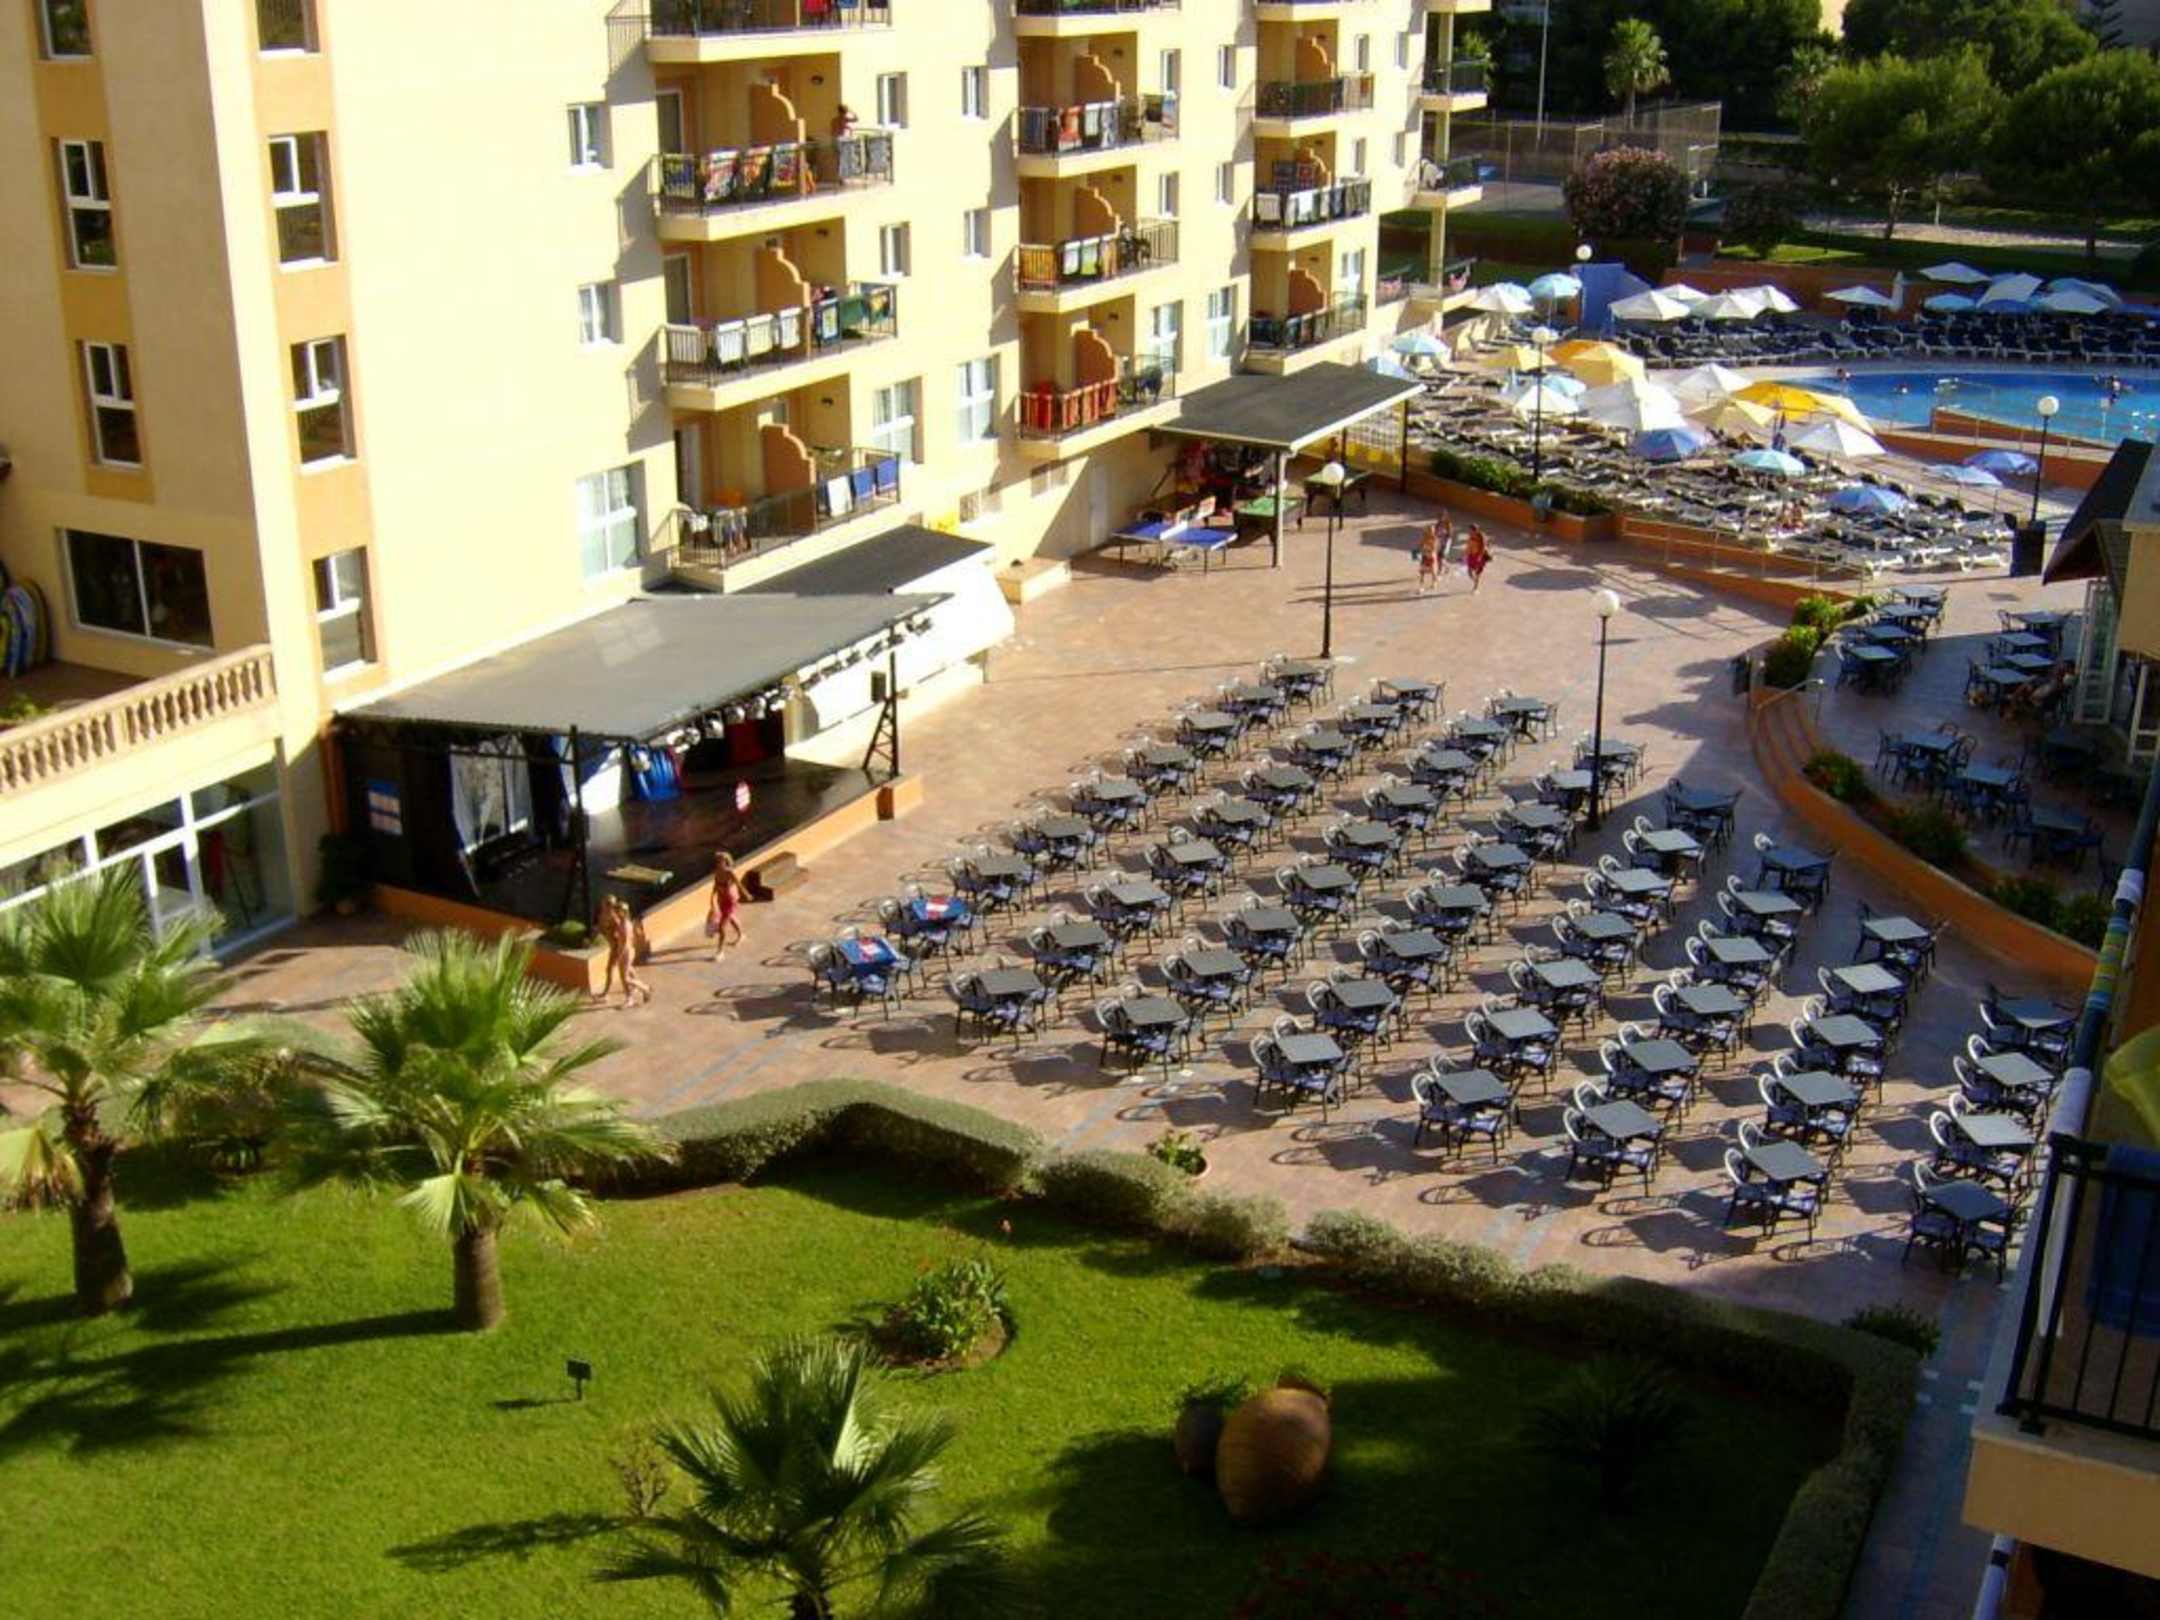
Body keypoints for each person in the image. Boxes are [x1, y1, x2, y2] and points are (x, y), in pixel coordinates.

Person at [597, 895, 651, 1010]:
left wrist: (620, 955)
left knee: (625, 977)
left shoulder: (623, 924)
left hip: (624, 952)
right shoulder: (621, 922)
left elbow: (625, 942)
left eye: (617, 910)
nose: (615, 911)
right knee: (625, 976)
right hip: (623, 951)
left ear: (623, 912)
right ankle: (632, 996)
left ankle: (643, 989)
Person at [708, 850, 745, 963]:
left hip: (731, 901)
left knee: (722, 927)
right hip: (722, 901)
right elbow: (715, 885)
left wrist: (747, 894)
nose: (718, 863)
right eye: (717, 861)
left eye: (720, 861)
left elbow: (739, 884)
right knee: (731, 918)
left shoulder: (730, 873)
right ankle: (741, 935)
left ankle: (720, 952)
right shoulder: (716, 872)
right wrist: (712, 898)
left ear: (726, 862)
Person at [1416, 519, 1441, 595]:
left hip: (1431, 557)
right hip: (1425, 556)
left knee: (1433, 571)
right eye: (1429, 530)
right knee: (1422, 572)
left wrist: (1427, 550)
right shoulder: (1424, 538)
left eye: (1432, 530)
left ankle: (1434, 581)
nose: (1431, 531)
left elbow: (1434, 548)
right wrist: (1418, 551)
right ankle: (1421, 587)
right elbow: (1420, 545)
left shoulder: (1435, 539)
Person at [1463, 526, 1491, 593]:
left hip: (1479, 557)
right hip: (1471, 556)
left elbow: (1483, 548)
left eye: (1471, 531)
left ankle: (1476, 588)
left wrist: (1480, 557)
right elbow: (1468, 547)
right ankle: (1475, 582)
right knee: (1469, 572)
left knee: (1477, 573)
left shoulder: (1481, 537)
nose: (1470, 532)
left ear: (1476, 531)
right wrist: (1465, 555)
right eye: (1469, 530)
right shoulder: (1470, 537)